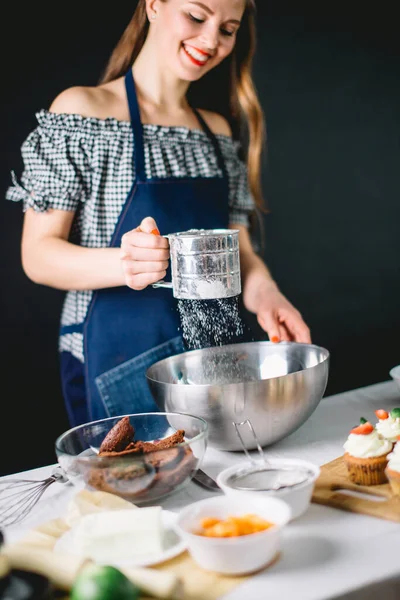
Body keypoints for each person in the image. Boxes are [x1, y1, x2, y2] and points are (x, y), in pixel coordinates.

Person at [6, 0, 311, 428]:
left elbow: (237, 248)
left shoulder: (216, 132)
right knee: (137, 494)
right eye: (197, 15)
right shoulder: (81, 112)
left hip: (211, 361)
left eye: (228, 28)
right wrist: (124, 262)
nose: (211, 40)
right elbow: (37, 255)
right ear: (153, 6)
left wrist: (266, 293)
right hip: (116, 360)